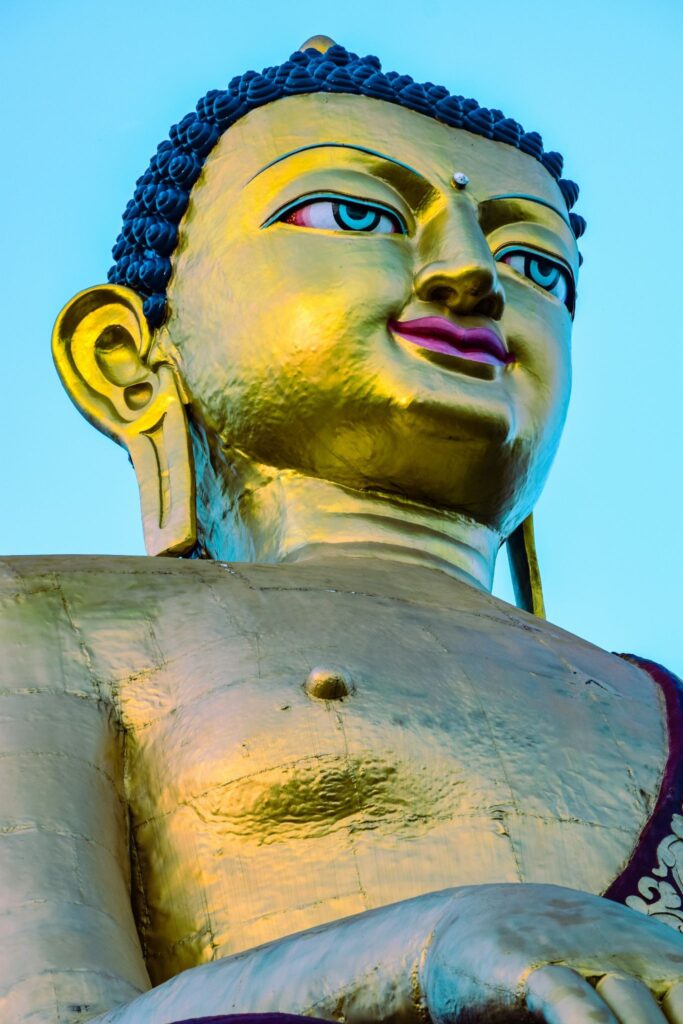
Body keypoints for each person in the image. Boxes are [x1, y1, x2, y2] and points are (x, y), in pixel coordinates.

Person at [2, 35, 681, 1024]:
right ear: (129, 359)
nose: (472, 278)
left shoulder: (655, 701)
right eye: (352, 213)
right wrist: (427, 945)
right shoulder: (48, 623)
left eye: (532, 261)